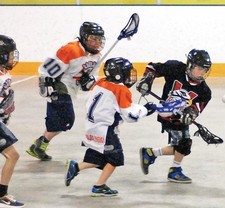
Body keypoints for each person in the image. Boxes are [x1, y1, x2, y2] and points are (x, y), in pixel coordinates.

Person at [64, 57, 155, 197]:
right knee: (115, 159)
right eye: (126, 72)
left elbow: (105, 103)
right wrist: (145, 110)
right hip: (106, 130)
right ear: (119, 74)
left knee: (97, 159)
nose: (129, 75)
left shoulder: (100, 82)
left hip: (91, 127)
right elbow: (129, 115)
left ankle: (75, 167)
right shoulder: (121, 89)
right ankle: (99, 186)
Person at [26, 22, 106, 161]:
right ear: (84, 37)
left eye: (99, 39)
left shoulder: (97, 56)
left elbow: (92, 77)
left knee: (61, 122)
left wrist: (88, 80)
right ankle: (39, 145)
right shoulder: (71, 50)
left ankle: (39, 145)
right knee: (67, 119)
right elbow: (47, 69)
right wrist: (46, 83)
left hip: (71, 89)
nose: (96, 42)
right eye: (93, 38)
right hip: (59, 85)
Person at [136, 49, 212, 183]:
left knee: (183, 146)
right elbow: (152, 67)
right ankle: (174, 170)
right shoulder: (175, 68)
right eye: (199, 68)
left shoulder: (205, 91)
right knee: (184, 144)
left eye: (204, 70)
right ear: (190, 65)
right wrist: (147, 80)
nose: (202, 73)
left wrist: (191, 113)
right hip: (166, 113)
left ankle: (150, 153)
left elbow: (198, 107)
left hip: (180, 117)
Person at [0, 35, 24, 208]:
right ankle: (1, 195)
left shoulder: (3, 73)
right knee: (12, 155)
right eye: (9, 54)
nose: (12, 57)